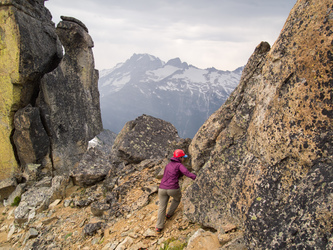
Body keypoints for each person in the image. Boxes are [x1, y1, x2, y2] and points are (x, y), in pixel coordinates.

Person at [156, 149, 197, 233]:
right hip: (173, 188)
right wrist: (196, 177)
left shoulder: (168, 165)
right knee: (177, 198)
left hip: (162, 189)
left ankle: (159, 227)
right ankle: (169, 214)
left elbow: (168, 174)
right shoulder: (179, 165)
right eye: (183, 157)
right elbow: (187, 173)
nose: (184, 159)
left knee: (162, 207)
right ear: (180, 158)